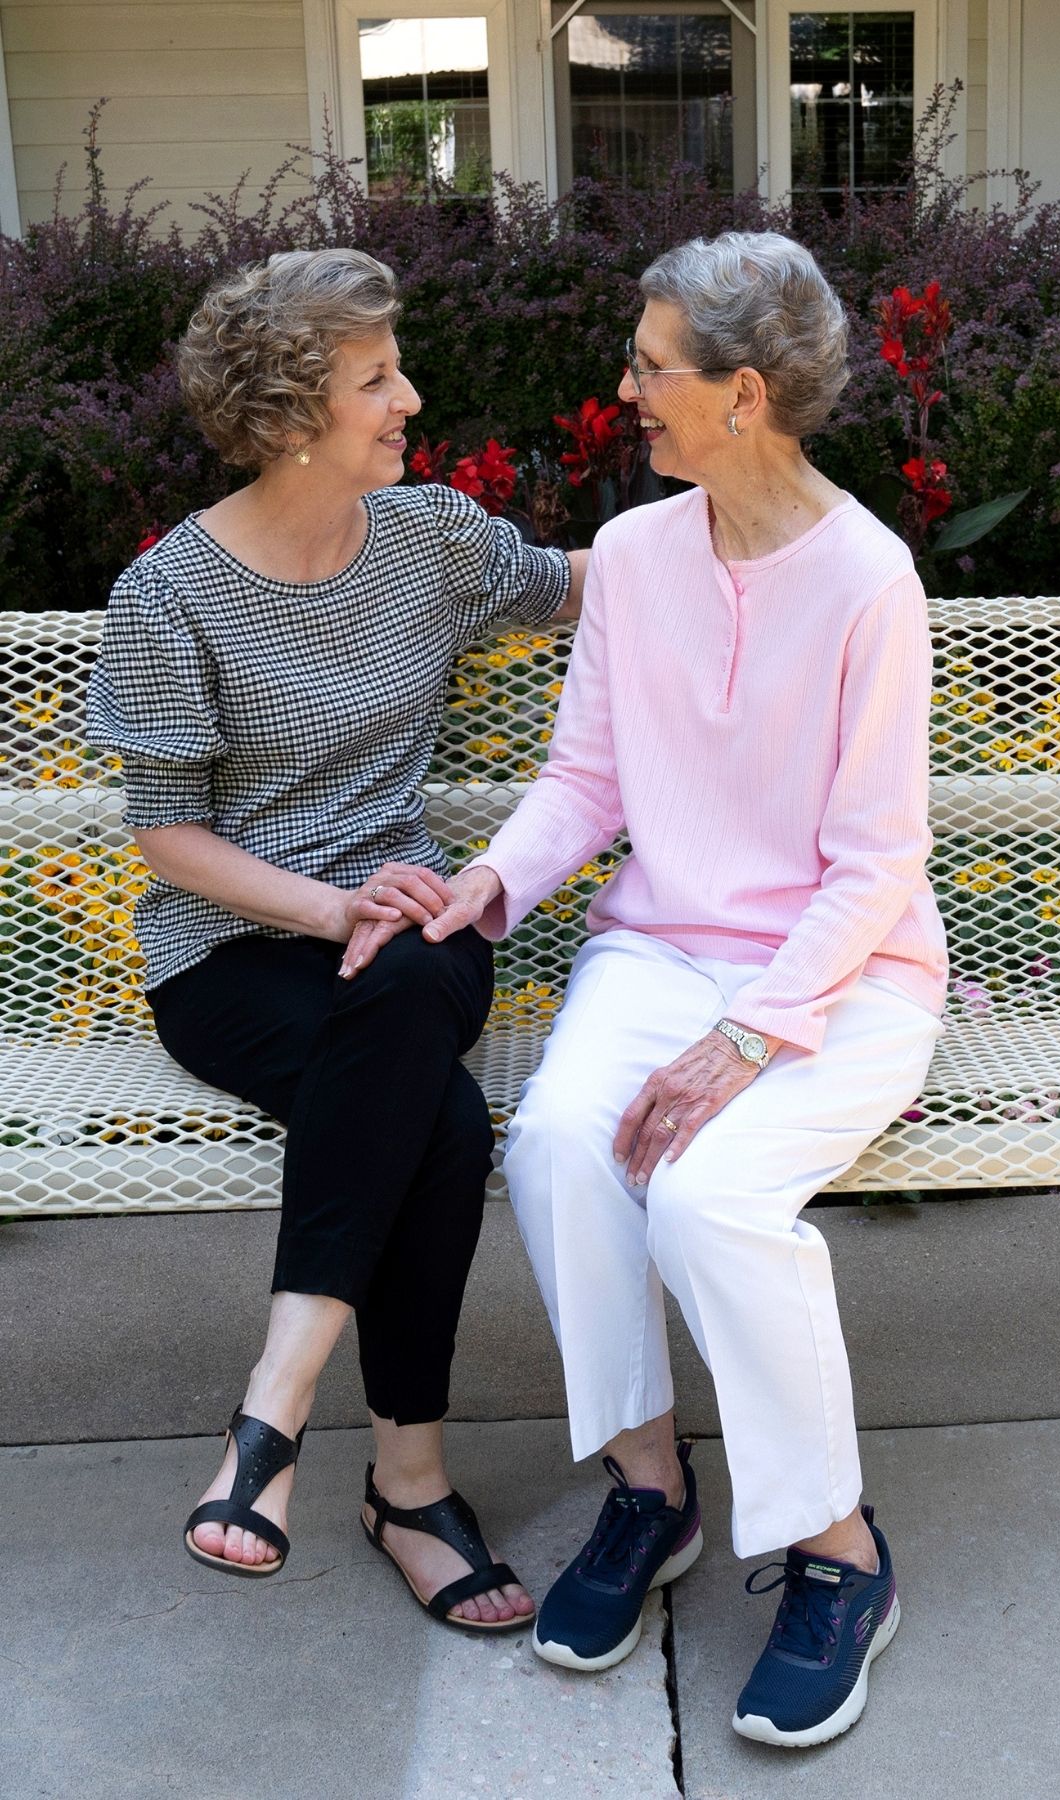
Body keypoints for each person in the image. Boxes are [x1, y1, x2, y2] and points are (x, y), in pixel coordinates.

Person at [350, 229, 948, 1741]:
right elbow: (588, 780)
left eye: (651, 365)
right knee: (557, 1143)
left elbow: (874, 862)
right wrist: (496, 882)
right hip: (663, 943)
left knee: (705, 1197)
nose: (628, 388)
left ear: (744, 395)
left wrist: (749, 1039)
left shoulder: (872, 579)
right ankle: (649, 1486)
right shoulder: (632, 554)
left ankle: (838, 1550)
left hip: (843, 973)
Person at [86, 247, 585, 1630]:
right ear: (294, 417)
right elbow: (167, 835)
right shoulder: (172, 593)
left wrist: (761, 531)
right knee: (434, 1124)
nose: (409, 399)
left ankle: (273, 1415)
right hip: (237, 954)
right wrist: (329, 906)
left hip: (413, 933)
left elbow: (581, 586)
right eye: (378, 380)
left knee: (419, 967)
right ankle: (410, 1488)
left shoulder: (430, 537)